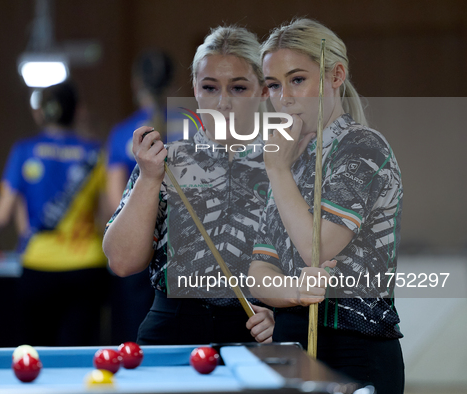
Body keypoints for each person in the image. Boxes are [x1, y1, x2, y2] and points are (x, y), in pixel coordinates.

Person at [248, 18, 404, 394]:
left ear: (336, 76)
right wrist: (294, 294)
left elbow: (317, 249)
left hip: (354, 349)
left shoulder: (363, 147)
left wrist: (277, 170)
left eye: (297, 79)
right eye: (273, 84)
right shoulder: (292, 158)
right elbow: (259, 267)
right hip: (290, 347)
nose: (283, 97)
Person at [103, 26, 275, 345]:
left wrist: (280, 314)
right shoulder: (164, 162)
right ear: (195, 88)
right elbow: (122, 262)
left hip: (256, 330)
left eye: (238, 88)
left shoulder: (287, 165)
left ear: (263, 90)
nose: (222, 102)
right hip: (172, 328)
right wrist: (149, 178)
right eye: (210, 87)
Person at [0, 82, 109, 346]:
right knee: (82, 358)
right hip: (87, 269)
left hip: (38, 268)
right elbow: (107, 218)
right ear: (78, 111)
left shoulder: (23, 151)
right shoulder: (95, 153)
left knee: (36, 358)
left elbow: (1, 216)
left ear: (39, 113)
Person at [105, 50, 176, 344]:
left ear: (136, 83)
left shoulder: (124, 133)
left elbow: (115, 202)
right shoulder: (198, 127)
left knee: (135, 343)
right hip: (183, 260)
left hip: (138, 253)